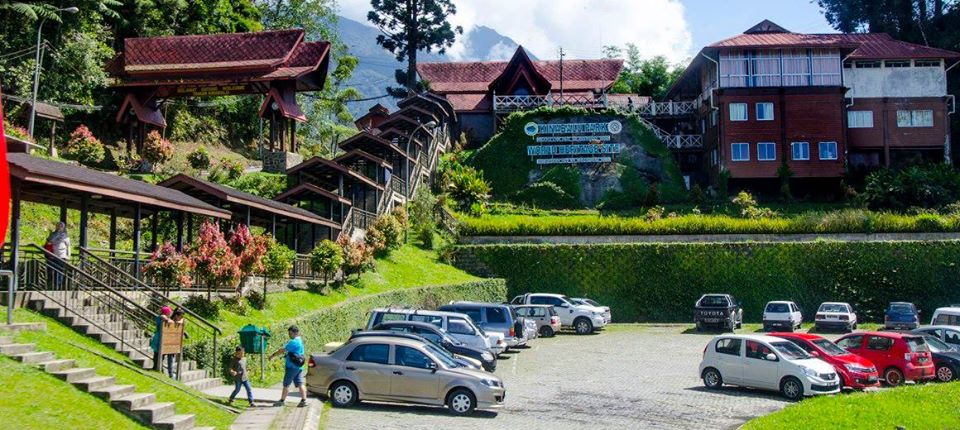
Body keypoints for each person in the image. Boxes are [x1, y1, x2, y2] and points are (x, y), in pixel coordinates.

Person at [268, 325, 307, 407]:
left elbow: (282, 350)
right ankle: (304, 400)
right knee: (300, 383)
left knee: (286, 384)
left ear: (295, 333)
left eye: (290, 333)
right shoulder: (300, 340)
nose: (289, 335)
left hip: (291, 367)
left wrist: (272, 355)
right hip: (299, 366)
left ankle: (282, 401)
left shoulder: (293, 342)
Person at [149, 306, 176, 377]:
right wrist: (169, 320)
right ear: (167, 312)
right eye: (169, 312)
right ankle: (156, 367)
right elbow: (164, 317)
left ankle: (159, 367)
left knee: (161, 354)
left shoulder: (166, 318)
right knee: (157, 353)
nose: (170, 313)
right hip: (159, 337)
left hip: (163, 338)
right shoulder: (161, 317)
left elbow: (171, 322)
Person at [44, 222, 70, 289]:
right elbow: (48, 242)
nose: (59, 227)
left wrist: (68, 255)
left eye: (61, 226)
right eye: (58, 226)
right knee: (52, 270)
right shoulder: (52, 234)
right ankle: (51, 285)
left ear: (63, 227)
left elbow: (68, 246)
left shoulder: (65, 235)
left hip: (61, 255)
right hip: (52, 254)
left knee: (60, 270)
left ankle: (58, 286)